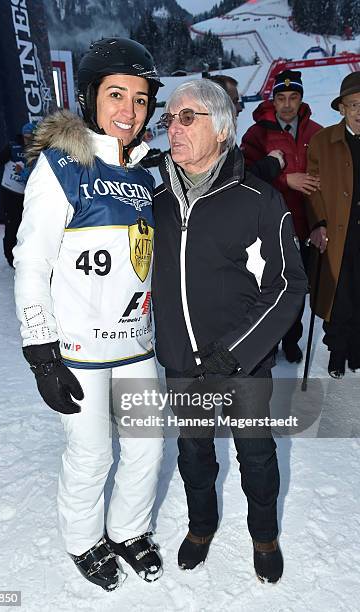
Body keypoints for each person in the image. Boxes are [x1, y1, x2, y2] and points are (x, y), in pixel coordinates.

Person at [13, 38, 164, 591]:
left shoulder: (149, 172)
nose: (129, 110)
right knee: (92, 451)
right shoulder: (63, 166)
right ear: (90, 97)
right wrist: (39, 350)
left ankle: (127, 529)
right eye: (116, 94)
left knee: (148, 446)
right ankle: (82, 540)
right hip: (78, 348)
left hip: (135, 345)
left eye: (141, 99)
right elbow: (31, 259)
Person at [152, 79, 307, 582]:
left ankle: (264, 535)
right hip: (180, 361)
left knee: (256, 454)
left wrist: (235, 352)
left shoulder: (258, 199)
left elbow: (287, 285)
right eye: (169, 119)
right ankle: (201, 527)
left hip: (243, 363)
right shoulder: (156, 200)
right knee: (193, 451)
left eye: (187, 117)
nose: (173, 127)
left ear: (221, 130)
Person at [241, 70, 322, 363]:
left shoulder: (316, 133)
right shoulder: (256, 134)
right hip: (268, 224)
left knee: (296, 287)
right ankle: (268, 339)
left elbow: (326, 182)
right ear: (273, 99)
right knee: (269, 284)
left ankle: (291, 337)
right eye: (281, 97)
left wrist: (319, 223)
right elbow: (246, 177)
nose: (287, 104)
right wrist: (287, 179)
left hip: (302, 223)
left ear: (301, 99)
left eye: (293, 97)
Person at [306, 71, 360, 378]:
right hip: (338, 234)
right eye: (353, 105)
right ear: (342, 108)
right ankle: (338, 353)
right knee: (340, 297)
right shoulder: (322, 141)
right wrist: (318, 223)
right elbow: (312, 188)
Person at [207, 74, 285, 183]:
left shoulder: (220, 140)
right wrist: (271, 164)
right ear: (216, 104)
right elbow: (233, 184)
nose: (239, 108)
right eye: (234, 101)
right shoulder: (207, 144)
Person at [0, 122, 36, 266]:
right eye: (27, 137)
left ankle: (28, 254)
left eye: (32, 137)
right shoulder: (13, 147)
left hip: (28, 195)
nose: (29, 140)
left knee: (29, 226)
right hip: (10, 193)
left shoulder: (38, 150)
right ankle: (10, 257)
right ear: (23, 135)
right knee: (12, 225)